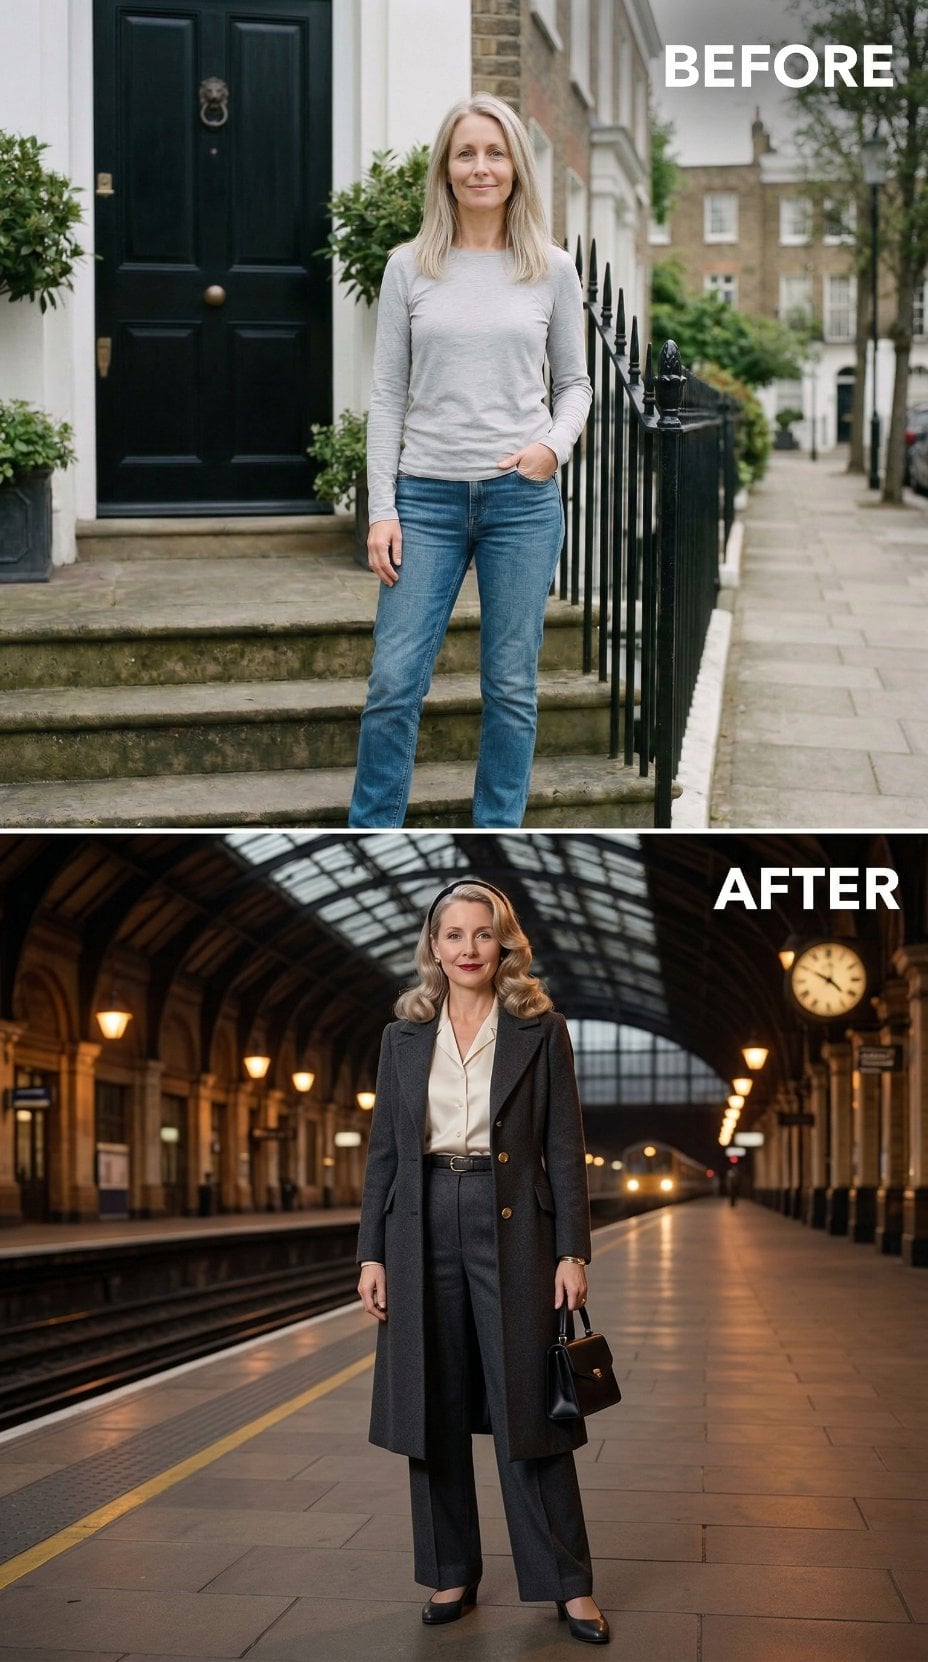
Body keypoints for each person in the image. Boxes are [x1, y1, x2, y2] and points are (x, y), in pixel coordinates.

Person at [356, 879, 610, 1645]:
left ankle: (568, 1584)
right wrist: (372, 1251)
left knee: (530, 1404)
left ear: (506, 945)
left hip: (514, 1227)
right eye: (454, 935)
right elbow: (386, 1154)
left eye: (483, 934)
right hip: (421, 1217)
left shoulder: (540, 1028)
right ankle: (450, 1572)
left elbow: (563, 1148)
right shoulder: (401, 1038)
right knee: (427, 1403)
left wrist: (572, 1249)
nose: (469, 949)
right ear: (433, 946)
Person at [348, 94, 592, 829]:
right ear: (445, 169)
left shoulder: (551, 269)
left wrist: (554, 447)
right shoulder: (408, 268)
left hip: (520, 501)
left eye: (494, 152)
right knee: (393, 681)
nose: (480, 167)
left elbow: (576, 383)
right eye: (466, 153)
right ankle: (373, 829)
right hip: (425, 499)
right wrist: (382, 510)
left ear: (516, 167)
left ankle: (496, 832)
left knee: (512, 686)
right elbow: (387, 396)